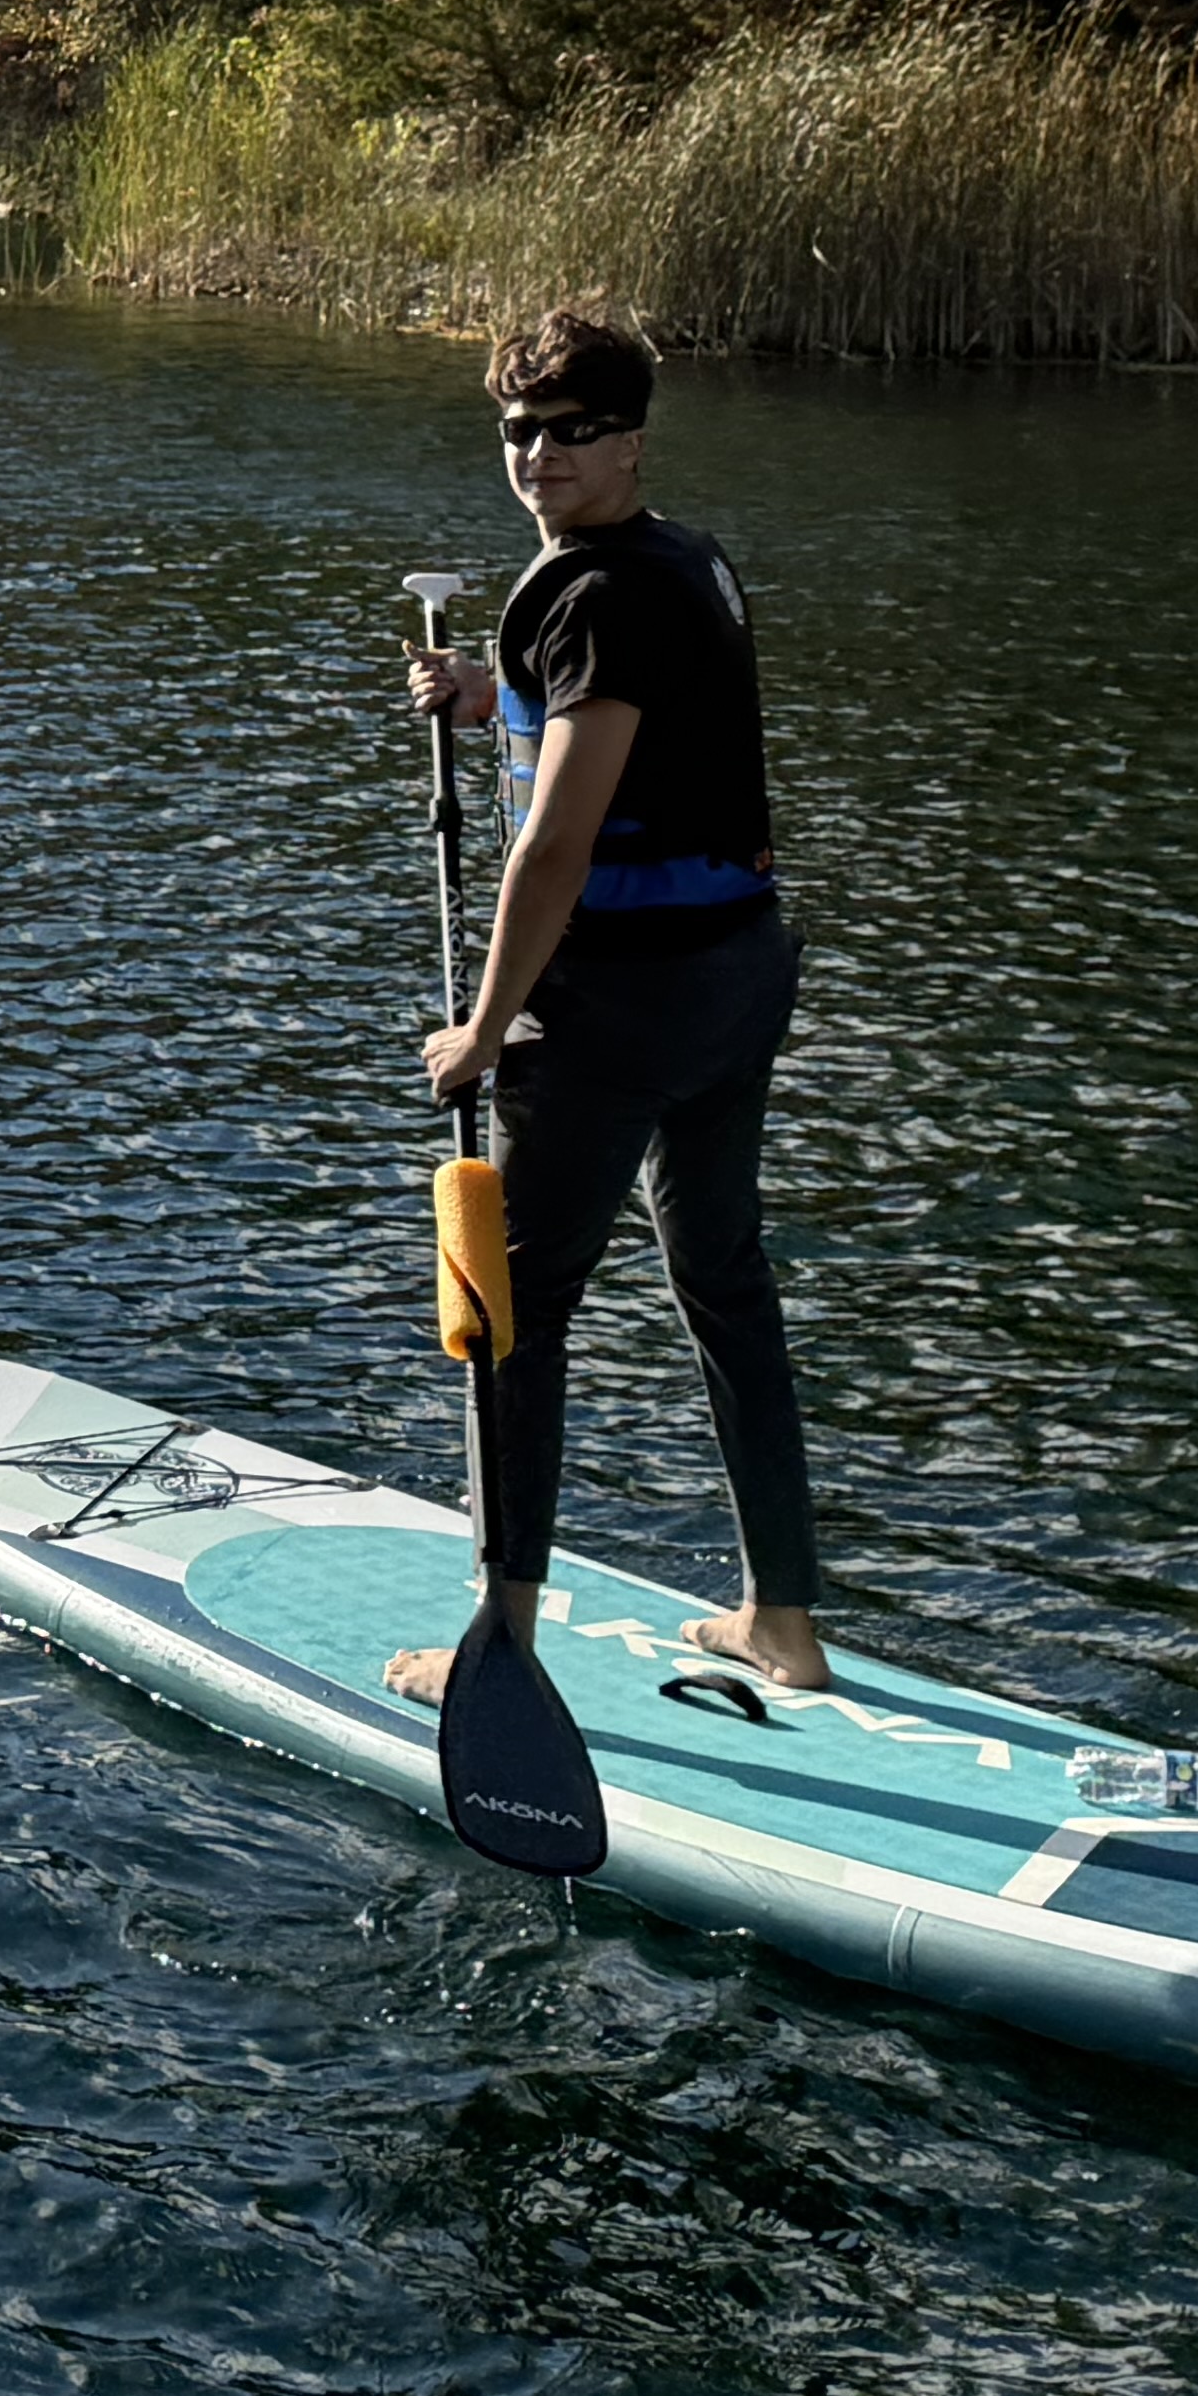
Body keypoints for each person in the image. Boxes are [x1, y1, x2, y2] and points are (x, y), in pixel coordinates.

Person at [386, 306, 833, 1702]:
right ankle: (782, 1621)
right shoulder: (682, 560)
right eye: (520, 431)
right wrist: (494, 695)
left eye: (575, 432)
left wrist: (483, 1025)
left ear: (632, 439)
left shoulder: (591, 596)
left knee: (512, 1311)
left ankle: (500, 1648)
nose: (541, 455)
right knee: (723, 1278)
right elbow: (634, 732)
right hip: (738, 978)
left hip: (619, 1007)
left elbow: (558, 847)